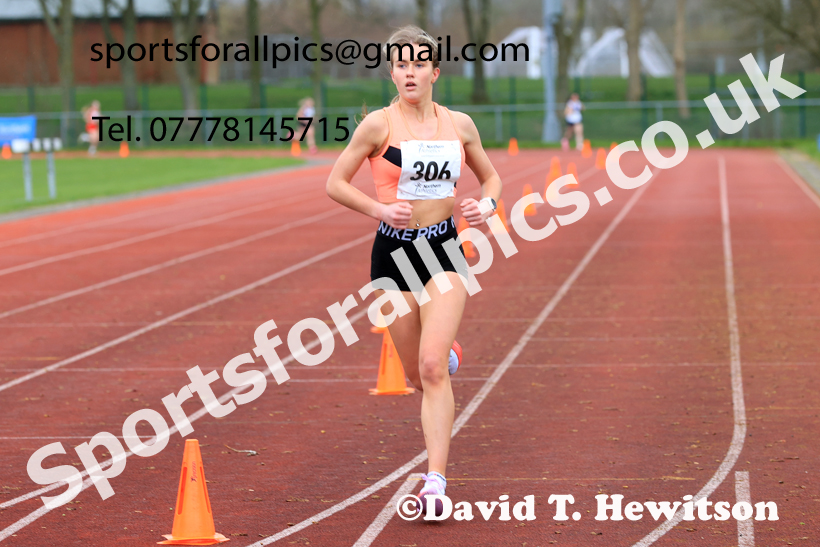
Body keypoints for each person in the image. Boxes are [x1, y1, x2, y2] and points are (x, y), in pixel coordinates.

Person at [325, 26, 502, 516]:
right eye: (401, 64)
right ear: (392, 72)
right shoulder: (377, 127)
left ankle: (436, 482)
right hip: (393, 256)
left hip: (443, 248)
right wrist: (380, 211)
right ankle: (444, 355)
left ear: (434, 72)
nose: (409, 71)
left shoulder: (459, 125)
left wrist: (487, 204)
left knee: (430, 367)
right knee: (415, 375)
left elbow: (490, 176)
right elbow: (336, 183)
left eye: (418, 63)